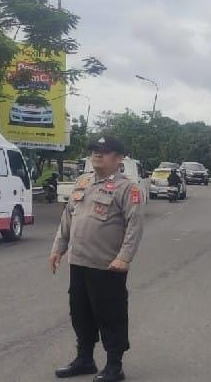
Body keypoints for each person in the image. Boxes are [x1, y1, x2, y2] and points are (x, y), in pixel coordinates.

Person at [49, 136, 144, 382]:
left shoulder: (127, 189)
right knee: (80, 313)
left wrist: (124, 258)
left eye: (105, 151)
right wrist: (58, 248)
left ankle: (114, 366)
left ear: (119, 158)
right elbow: (68, 217)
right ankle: (85, 359)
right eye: (94, 150)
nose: (97, 154)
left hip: (108, 266)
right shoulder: (83, 182)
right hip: (79, 263)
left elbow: (134, 226)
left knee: (110, 315)